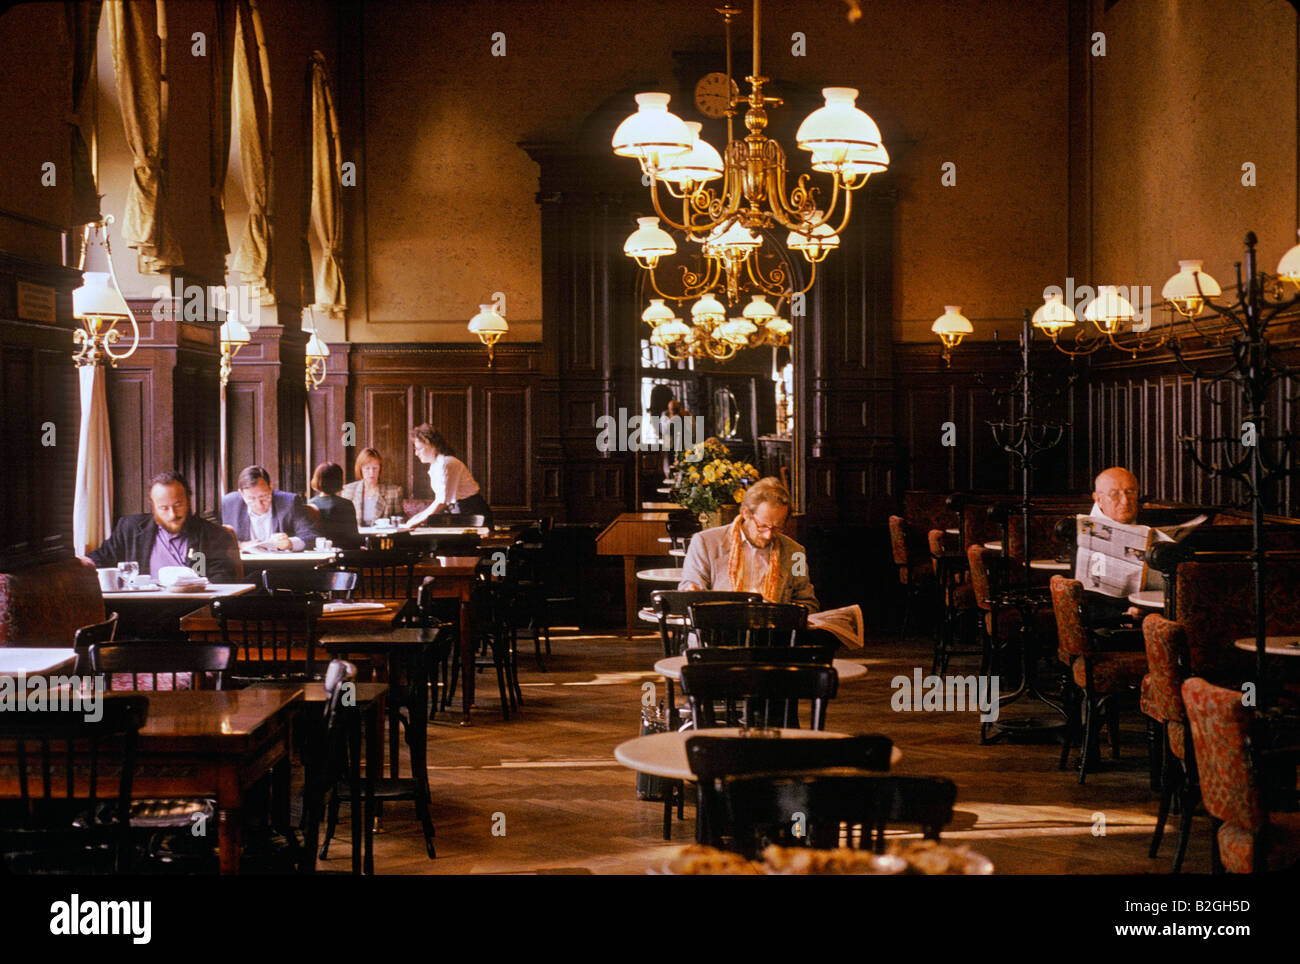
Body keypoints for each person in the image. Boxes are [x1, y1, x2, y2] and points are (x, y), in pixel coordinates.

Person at [678, 476, 818, 610]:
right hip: (719, 630)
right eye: (762, 526)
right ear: (746, 513)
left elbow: (807, 602)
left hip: (773, 631)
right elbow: (691, 592)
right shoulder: (705, 543)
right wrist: (691, 590)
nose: (768, 535)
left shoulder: (796, 553)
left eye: (777, 528)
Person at [82, 470, 240, 583]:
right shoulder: (130, 529)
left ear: (188, 500)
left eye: (178, 505)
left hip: (191, 607)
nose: (172, 514)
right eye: (164, 508)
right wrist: (79, 563)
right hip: (142, 607)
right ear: (153, 506)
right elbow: (100, 559)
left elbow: (222, 577)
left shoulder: (212, 535)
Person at [1084, 465, 1144, 625]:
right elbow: (1089, 600)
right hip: (1112, 625)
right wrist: (1124, 614)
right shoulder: (1083, 537)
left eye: (1130, 492)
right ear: (1098, 499)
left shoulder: (1154, 525)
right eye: (1114, 494)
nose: (1125, 501)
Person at [405, 424, 494, 528]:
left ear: (431, 445)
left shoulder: (447, 463)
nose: (416, 453)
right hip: (460, 511)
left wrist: (415, 521)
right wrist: (414, 519)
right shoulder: (435, 466)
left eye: (419, 448)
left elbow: (441, 502)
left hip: (473, 514)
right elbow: (439, 500)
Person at [221, 465, 321, 551]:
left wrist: (290, 543)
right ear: (241, 493)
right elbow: (218, 540)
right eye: (251, 499)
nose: (259, 504)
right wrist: (241, 545)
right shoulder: (230, 503)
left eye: (263, 496)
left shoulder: (289, 502)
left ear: (271, 486)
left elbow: (311, 537)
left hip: (279, 567)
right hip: (244, 567)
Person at [341, 447, 405, 525]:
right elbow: (343, 522)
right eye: (367, 468)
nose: (371, 472)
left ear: (380, 469)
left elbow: (400, 521)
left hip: (382, 536)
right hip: (356, 536)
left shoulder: (394, 491)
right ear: (360, 469)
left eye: (375, 468)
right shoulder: (348, 490)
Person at [309, 462, 361, 548]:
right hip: (343, 552)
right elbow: (354, 537)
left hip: (316, 551)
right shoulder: (346, 504)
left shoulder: (310, 504)